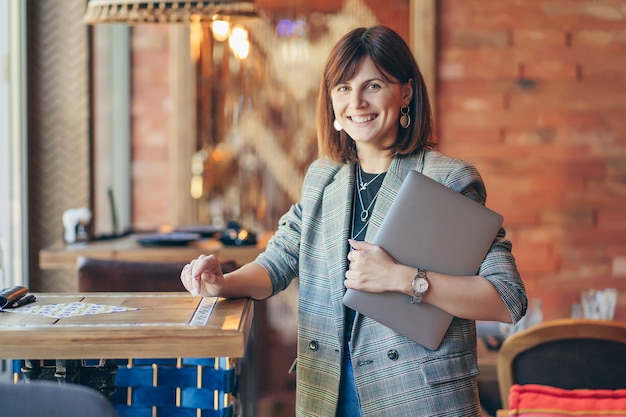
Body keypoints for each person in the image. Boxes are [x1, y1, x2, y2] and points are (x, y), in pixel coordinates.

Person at [181, 25, 527, 417]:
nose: (357, 101)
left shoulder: (448, 179)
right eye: (343, 88)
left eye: (374, 85)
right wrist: (222, 283)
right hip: (328, 390)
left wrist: (401, 278)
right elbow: (277, 262)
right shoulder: (323, 177)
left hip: (416, 397)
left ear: (406, 92)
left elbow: (508, 298)